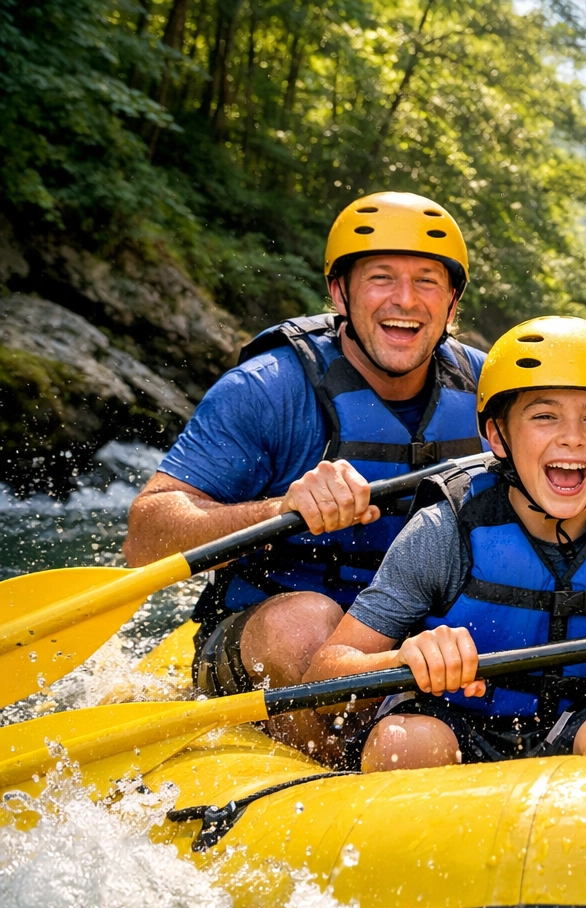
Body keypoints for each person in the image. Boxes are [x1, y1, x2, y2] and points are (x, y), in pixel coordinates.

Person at [123, 192, 486, 763]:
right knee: (304, 624)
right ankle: (341, 784)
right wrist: (276, 511)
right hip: (278, 630)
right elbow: (144, 538)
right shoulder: (268, 389)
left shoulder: (494, 393)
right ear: (340, 292)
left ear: (452, 301)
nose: (405, 301)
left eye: (427, 281)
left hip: (425, 635)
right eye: (381, 278)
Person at [305, 317, 586, 771]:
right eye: (544, 416)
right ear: (497, 435)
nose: (572, 436)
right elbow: (325, 676)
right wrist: (403, 657)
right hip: (455, 724)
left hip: (583, 727)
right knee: (407, 741)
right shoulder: (443, 531)